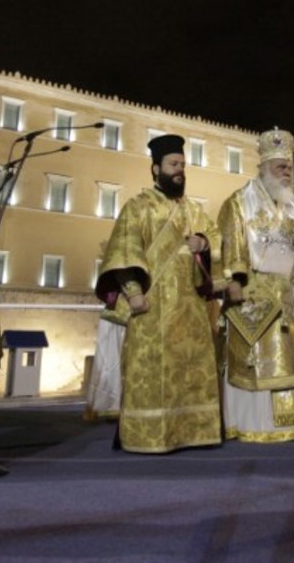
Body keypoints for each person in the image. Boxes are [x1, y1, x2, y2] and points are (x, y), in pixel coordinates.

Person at [94, 134, 223, 453]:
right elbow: (123, 252)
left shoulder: (195, 210)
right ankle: (149, 435)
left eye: (182, 165)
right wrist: (134, 293)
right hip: (151, 309)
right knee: (153, 377)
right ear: (155, 169)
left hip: (191, 309)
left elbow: (219, 243)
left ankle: (195, 433)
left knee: (189, 373)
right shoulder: (137, 207)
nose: (180, 170)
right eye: (173, 164)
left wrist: (204, 244)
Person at [216, 127, 294, 442]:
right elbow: (231, 243)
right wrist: (234, 281)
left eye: (289, 166)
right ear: (263, 168)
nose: (287, 172)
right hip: (257, 296)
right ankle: (257, 424)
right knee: (262, 361)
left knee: (291, 359)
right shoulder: (239, 202)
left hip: (292, 299)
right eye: (280, 167)